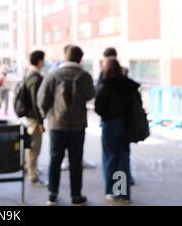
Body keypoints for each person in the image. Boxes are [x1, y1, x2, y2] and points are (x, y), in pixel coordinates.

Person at [38, 45, 95, 206]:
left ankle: (52, 195)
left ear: (65, 56)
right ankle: (76, 196)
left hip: (57, 125)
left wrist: (47, 116)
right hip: (78, 126)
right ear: (80, 59)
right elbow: (91, 94)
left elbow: (41, 98)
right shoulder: (84, 76)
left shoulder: (53, 74)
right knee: (76, 161)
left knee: (55, 159)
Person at [95, 58, 138, 204]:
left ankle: (112, 191)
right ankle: (124, 193)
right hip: (126, 124)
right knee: (123, 158)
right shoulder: (128, 84)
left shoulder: (105, 85)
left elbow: (98, 106)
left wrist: (107, 115)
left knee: (110, 158)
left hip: (110, 125)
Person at [24, 51, 45, 184]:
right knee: (34, 147)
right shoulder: (35, 77)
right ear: (39, 61)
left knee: (32, 146)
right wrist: (41, 121)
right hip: (34, 118)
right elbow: (36, 102)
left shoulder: (29, 74)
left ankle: (31, 169)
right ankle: (33, 175)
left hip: (29, 116)